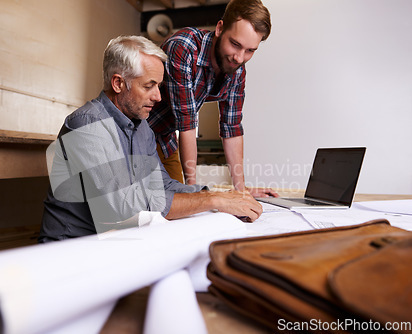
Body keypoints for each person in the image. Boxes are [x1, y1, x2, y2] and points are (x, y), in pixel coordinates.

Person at [39, 35, 263, 242]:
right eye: (149, 86)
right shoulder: (88, 124)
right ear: (118, 83)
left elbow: (162, 185)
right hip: (73, 247)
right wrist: (213, 201)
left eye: (159, 85)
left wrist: (219, 195)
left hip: (112, 241)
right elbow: (126, 205)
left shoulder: (142, 126)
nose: (158, 97)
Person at [147, 0, 277, 198]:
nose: (239, 58)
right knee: (162, 203)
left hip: (165, 139)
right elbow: (187, 122)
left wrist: (241, 190)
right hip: (136, 133)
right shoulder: (183, 48)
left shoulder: (237, 71)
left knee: (178, 202)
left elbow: (231, 128)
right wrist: (194, 190)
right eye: (235, 44)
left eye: (250, 50)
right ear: (219, 28)